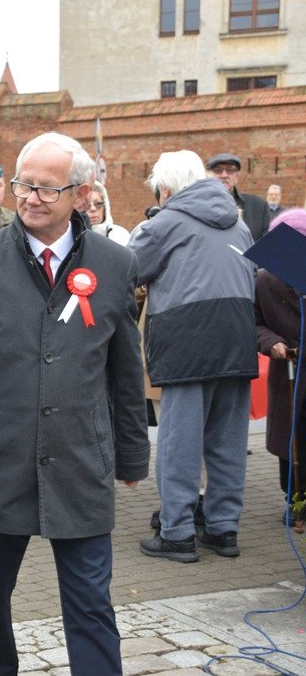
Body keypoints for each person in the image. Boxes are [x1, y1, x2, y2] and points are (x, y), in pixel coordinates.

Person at [0, 132, 149, 676]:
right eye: (24, 184)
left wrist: (132, 454)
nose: (31, 198)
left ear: (82, 193)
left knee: (91, 600)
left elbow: (124, 370)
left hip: (80, 462)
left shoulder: (115, 265)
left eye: (48, 188)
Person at [129, 150, 257, 563]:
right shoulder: (239, 224)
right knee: (228, 442)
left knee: (178, 444)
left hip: (187, 341)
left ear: (164, 187)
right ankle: (223, 528)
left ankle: (178, 532)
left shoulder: (162, 224)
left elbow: (128, 272)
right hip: (237, 338)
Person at [254, 209, 306, 522]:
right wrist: (271, 341)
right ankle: (294, 499)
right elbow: (254, 322)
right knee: (291, 439)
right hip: (288, 372)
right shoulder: (266, 279)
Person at [205, 153, 269, 241]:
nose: (224, 175)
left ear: (237, 177)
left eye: (230, 170)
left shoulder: (258, 207)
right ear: (208, 176)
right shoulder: (200, 206)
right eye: (218, 170)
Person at [88, 181, 131, 245]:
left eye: (98, 204)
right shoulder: (70, 236)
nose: (93, 209)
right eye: (86, 205)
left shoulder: (120, 235)